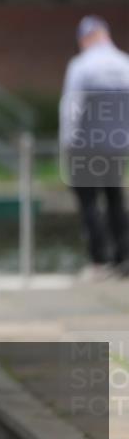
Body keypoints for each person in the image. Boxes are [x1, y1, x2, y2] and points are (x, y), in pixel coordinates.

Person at [60, 16, 129, 281]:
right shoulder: (124, 64)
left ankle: (99, 261)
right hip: (116, 146)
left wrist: (67, 142)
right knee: (115, 200)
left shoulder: (81, 66)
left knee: (89, 203)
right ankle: (123, 258)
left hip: (85, 145)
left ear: (84, 39)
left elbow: (71, 108)